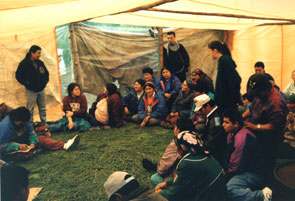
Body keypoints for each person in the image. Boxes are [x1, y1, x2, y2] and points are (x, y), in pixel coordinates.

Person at [155, 131, 227, 201]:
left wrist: (160, 193)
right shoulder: (204, 154)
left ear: (182, 148)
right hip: (219, 195)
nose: (176, 149)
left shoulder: (187, 162)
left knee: (155, 180)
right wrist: (166, 183)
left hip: (207, 197)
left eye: (177, 146)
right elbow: (183, 178)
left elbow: (175, 194)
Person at [243, 74, 288, 176]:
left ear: (265, 90)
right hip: (256, 131)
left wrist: (255, 127)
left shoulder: (276, 102)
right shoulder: (260, 95)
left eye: (257, 93)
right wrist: (241, 118)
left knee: (265, 163)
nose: (256, 95)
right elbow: (252, 108)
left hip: (269, 138)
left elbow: (274, 126)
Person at [222, 109, 272, 201]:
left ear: (236, 124)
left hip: (253, 173)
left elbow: (236, 166)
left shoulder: (242, 138)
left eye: (226, 122)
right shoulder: (231, 134)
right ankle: (244, 191)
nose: (223, 125)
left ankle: (262, 195)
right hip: (243, 169)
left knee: (229, 190)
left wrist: (225, 175)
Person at [0, 107, 80, 157]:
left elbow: (32, 134)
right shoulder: (5, 127)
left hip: (23, 141)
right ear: (15, 120)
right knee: (23, 155)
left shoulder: (24, 121)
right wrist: (17, 147)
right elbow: (2, 146)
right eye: (21, 123)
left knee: (41, 139)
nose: (23, 125)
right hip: (12, 146)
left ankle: (65, 145)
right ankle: (33, 152)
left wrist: (32, 143)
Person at [142, 117, 195, 186]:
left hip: (182, 179)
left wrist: (158, 169)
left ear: (178, 130)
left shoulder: (176, 143)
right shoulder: (197, 140)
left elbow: (163, 169)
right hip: (196, 177)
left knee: (155, 178)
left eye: (175, 126)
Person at [15, 45, 49, 131]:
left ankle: (44, 123)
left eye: (40, 53)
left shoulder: (40, 63)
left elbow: (46, 74)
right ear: (32, 53)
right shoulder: (24, 64)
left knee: (42, 108)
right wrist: (27, 83)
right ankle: (30, 125)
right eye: (38, 53)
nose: (39, 55)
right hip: (31, 91)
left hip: (41, 89)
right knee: (30, 109)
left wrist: (44, 83)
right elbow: (18, 75)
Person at [208, 41, 241, 112]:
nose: (209, 53)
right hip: (225, 101)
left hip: (227, 102)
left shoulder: (225, 60)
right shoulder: (223, 60)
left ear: (215, 50)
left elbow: (235, 79)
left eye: (210, 51)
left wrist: (229, 98)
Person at [193, 94, 227, 165]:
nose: (200, 112)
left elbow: (212, 140)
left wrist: (197, 145)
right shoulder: (212, 115)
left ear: (207, 106)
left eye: (201, 109)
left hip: (217, 154)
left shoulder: (215, 119)